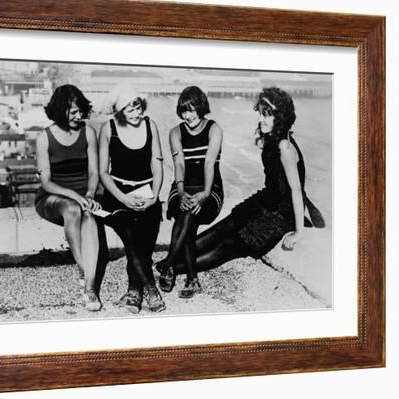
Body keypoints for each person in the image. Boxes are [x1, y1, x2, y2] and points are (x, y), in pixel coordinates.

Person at [156, 87, 324, 275]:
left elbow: (296, 190)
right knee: (221, 229)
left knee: (227, 246)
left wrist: (298, 232)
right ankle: (169, 260)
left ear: (281, 118)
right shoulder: (271, 139)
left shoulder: (285, 146)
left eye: (267, 116)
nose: (261, 119)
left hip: (279, 215)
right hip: (264, 202)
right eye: (260, 114)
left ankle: (169, 268)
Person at [34, 84, 103, 311]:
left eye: (80, 110)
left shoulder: (88, 132)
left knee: (90, 216)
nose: (78, 115)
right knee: (73, 209)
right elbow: (46, 182)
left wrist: (90, 193)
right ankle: (84, 268)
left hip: (84, 195)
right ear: (59, 110)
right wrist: (75, 195)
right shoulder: (44, 138)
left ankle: (90, 287)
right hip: (53, 198)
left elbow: (94, 173)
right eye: (72, 111)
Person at [98, 85, 166, 314]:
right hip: (117, 197)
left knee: (144, 243)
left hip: (147, 194)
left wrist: (155, 195)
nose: (136, 113)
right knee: (130, 235)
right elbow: (103, 173)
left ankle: (133, 290)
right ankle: (150, 288)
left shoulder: (151, 125)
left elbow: (157, 164)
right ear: (119, 112)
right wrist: (124, 199)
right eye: (129, 110)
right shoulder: (108, 129)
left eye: (137, 107)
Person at [159, 86, 224, 298]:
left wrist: (205, 193)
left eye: (193, 109)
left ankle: (169, 265)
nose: (189, 115)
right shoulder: (175, 132)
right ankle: (191, 279)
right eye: (184, 110)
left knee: (188, 216)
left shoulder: (214, 129)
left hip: (210, 187)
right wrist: (179, 191)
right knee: (187, 216)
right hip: (182, 187)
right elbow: (179, 164)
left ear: (201, 107)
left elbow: (209, 163)